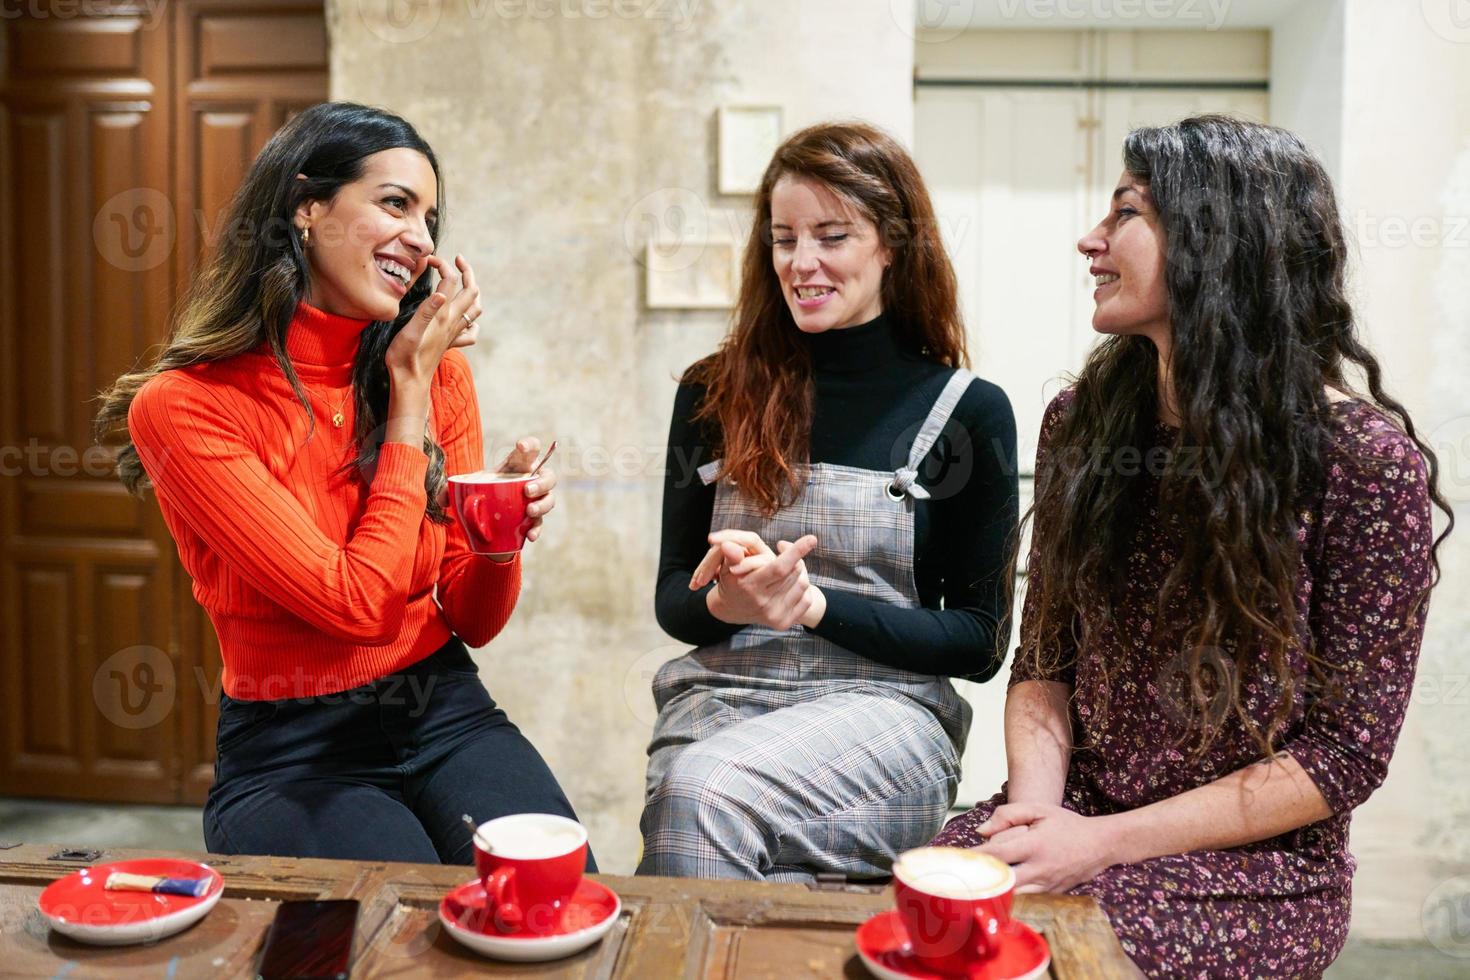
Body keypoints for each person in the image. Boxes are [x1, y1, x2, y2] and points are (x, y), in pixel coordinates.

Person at [931, 115, 1450, 978]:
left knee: (1054, 962)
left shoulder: (1363, 466)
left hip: (1256, 871)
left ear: (1220, 241)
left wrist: (1099, 846)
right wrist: (1038, 826)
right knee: (919, 928)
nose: (1090, 241)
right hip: (1075, 813)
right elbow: (1043, 666)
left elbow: (1344, 756)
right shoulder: (1083, 427)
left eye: (1126, 213)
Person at [95, 102, 591, 867]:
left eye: (430, 217)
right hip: (292, 752)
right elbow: (353, 604)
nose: (421, 239)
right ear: (306, 206)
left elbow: (473, 617)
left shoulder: (436, 373)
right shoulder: (188, 406)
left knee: (556, 905)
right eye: (395, 203)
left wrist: (497, 539)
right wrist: (408, 398)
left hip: (443, 707)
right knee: (394, 943)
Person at [639, 122, 1019, 881]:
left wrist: (814, 608)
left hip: (888, 721)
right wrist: (730, 605)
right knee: (747, 861)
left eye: (832, 236)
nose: (802, 263)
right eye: (784, 239)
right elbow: (671, 602)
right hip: (721, 701)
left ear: (891, 246)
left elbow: (978, 642)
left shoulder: (966, 411)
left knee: (700, 795)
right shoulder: (711, 393)